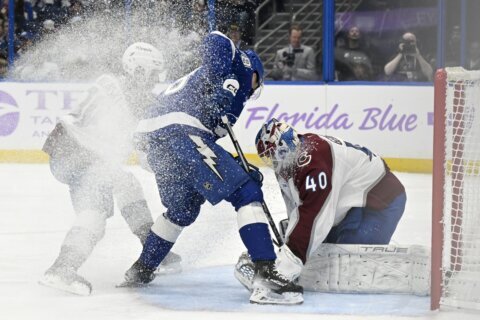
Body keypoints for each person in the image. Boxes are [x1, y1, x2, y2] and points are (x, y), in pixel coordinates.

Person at [120, 31, 303, 305]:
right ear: (257, 74)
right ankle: (266, 273)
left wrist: (238, 167)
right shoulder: (241, 66)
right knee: (247, 193)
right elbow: (215, 39)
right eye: (257, 84)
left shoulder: (224, 91)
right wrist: (222, 81)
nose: (253, 90)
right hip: (178, 131)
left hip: (156, 141)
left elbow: (204, 148)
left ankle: (140, 270)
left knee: (182, 209)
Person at [39, 42, 179, 296]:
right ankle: (61, 268)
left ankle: (151, 245)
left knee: (125, 183)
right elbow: (147, 143)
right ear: (139, 71)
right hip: (82, 152)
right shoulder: (132, 95)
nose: (156, 79)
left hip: (68, 147)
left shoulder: (111, 82)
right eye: (153, 73)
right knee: (95, 212)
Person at [233, 119, 428, 295]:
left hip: (381, 202)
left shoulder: (313, 163)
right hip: (349, 203)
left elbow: (315, 217)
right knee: (322, 252)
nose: (272, 162)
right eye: (268, 157)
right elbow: (298, 209)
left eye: (272, 155)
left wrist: (284, 269)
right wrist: (288, 245)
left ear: (284, 147)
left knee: (348, 263)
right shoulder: (288, 159)